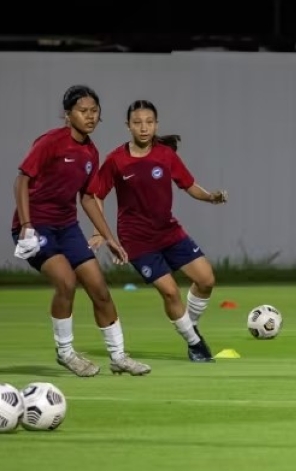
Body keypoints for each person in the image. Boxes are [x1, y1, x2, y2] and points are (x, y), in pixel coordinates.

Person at [11, 85, 151, 377]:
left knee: (99, 288)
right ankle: (65, 353)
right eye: (82, 111)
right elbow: (21, 181)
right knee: (66, 281)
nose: (89, 116)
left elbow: (87, 198)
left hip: (67, 227)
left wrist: (110, 238)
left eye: (94, 111)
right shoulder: (51, 142)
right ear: (67, 114)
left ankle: (119, 357)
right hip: (36, 226)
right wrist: (26, 227)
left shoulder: (91, 152)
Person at [87, 100, 227, 363]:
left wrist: (210, 197)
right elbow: (95, 194)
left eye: (149, 122)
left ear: (156, 125)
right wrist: (100, 231)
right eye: (137, 122)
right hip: (137, 241)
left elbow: (189, 184)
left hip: (169, 232)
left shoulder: (165, 155)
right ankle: (195, 344)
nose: (144, 127)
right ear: (128, 125)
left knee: (206, 280)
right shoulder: (116, 160)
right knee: (171, 292)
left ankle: (189, 325)